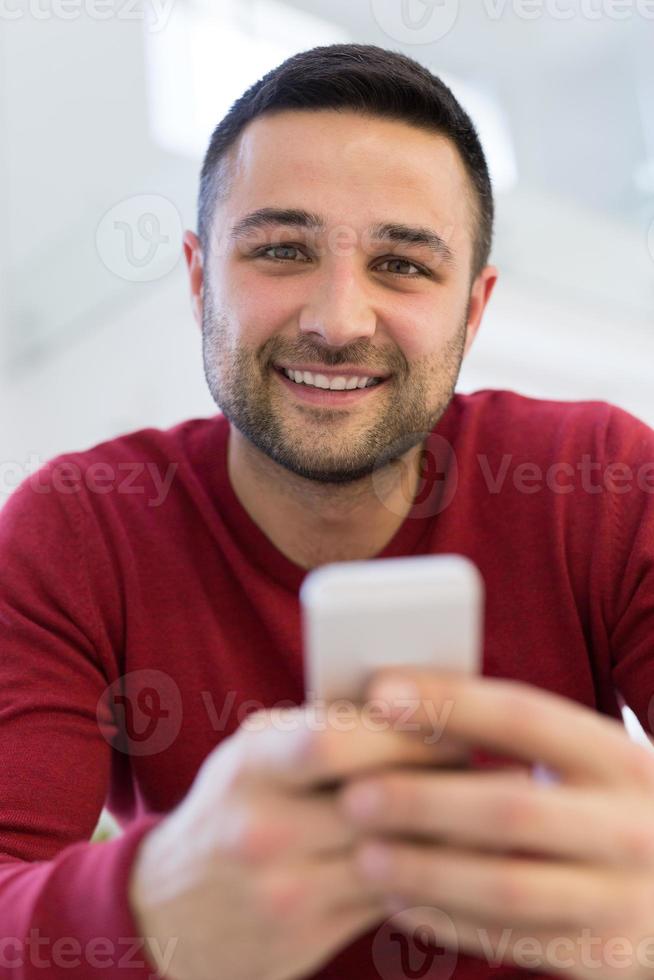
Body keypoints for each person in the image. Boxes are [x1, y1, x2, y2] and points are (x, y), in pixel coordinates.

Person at [2, 42, 654, 980]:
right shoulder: (76, 528)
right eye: (281, 250)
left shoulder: (602, 480)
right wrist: (155, 903)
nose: (339, 320)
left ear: (474, 312)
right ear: (197, 280)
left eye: (401, 265)